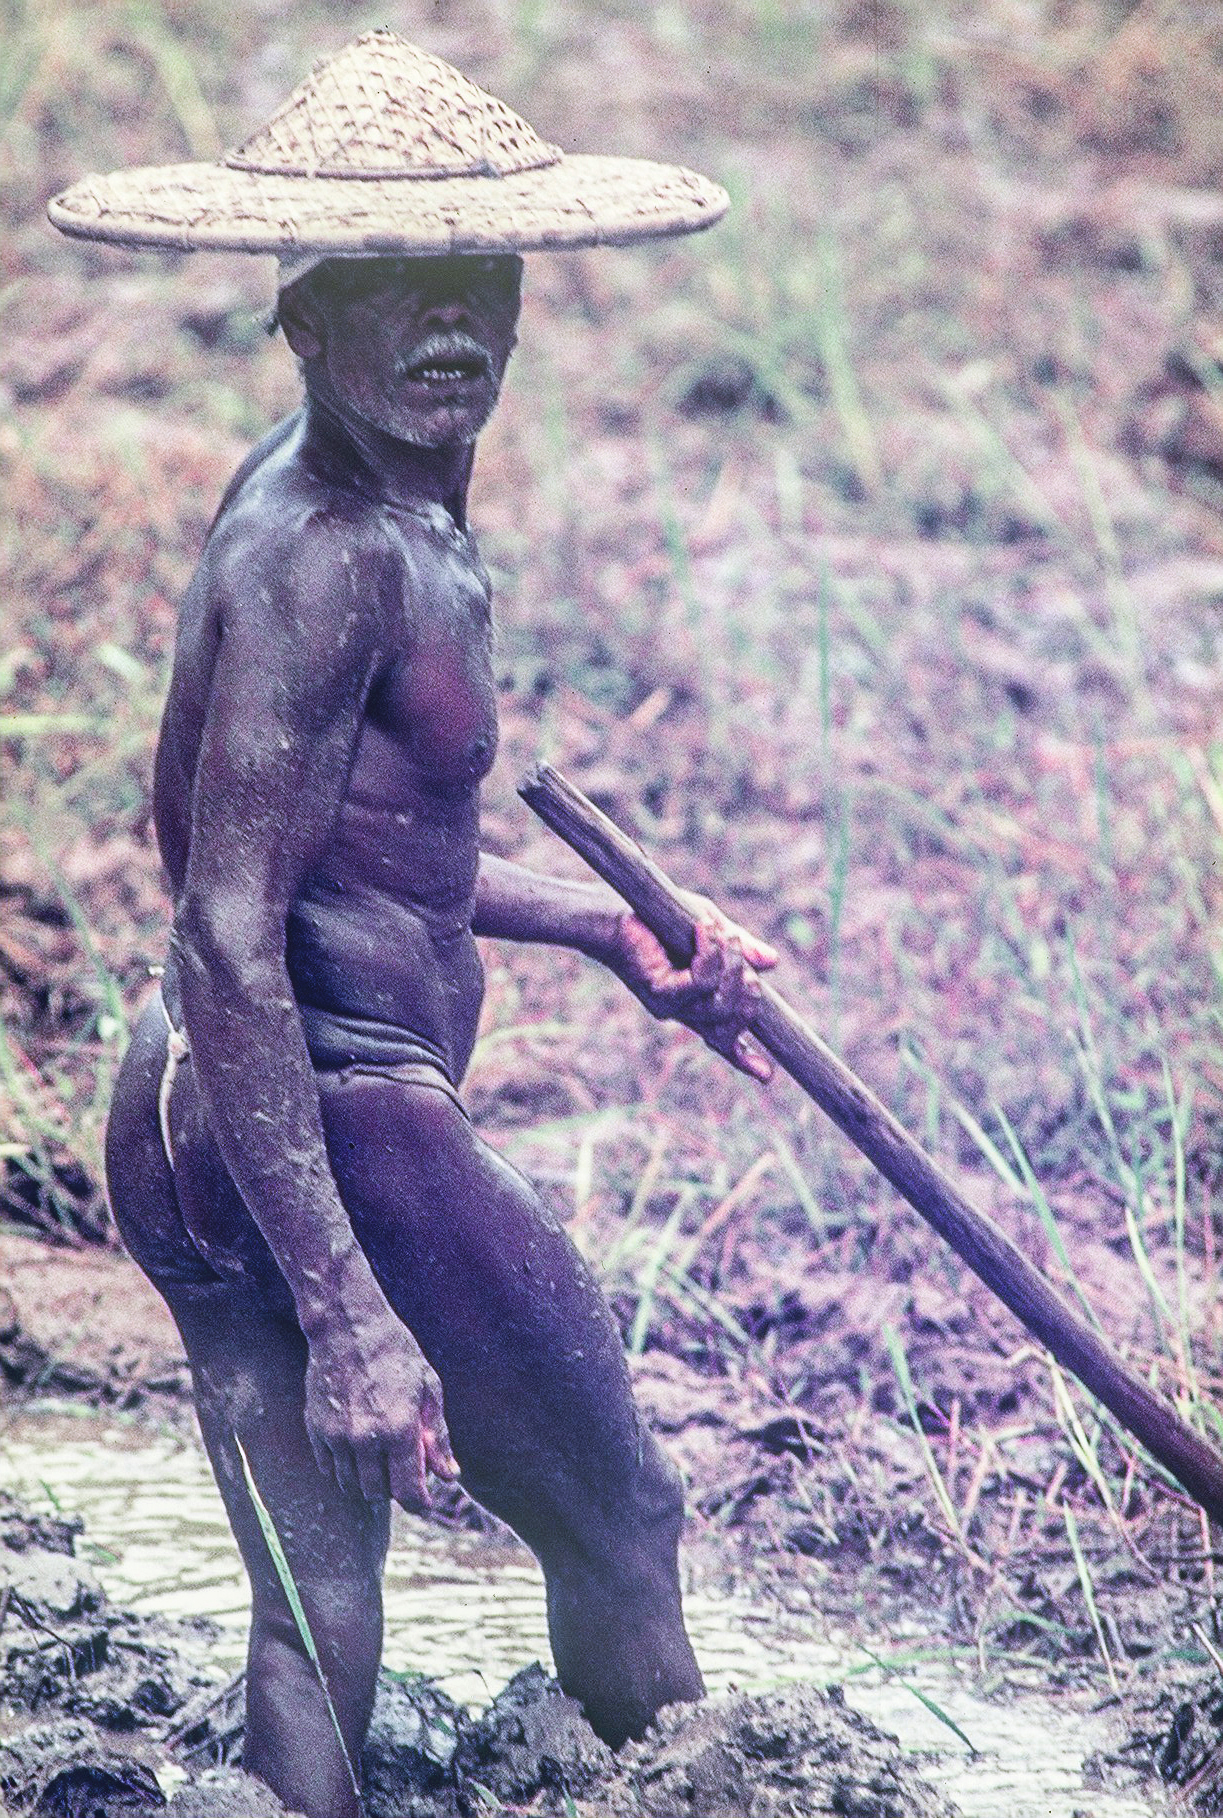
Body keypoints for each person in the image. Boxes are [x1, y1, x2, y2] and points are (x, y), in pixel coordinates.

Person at [50, 34, 776, 1818]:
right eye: (398, 293)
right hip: (332, 1108)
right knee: (623, 1514)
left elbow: (341, 868)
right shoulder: (330, 557)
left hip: (185, 1109)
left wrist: (609, 933)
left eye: (478, 282)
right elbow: (234, 934)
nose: (450, 329)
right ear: (303, 318)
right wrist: (352, 1307)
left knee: (316, 1604)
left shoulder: (339, 501)